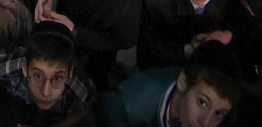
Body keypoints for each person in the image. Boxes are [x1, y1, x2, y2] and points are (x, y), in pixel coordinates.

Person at [98, 39, 244, 127]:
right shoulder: (128, 105)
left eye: (218, 113)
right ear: (182, 82)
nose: (205, 123)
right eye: (202, 103)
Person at [0, 20, 98, 127]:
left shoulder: (79, 89)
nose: (46, 92)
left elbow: (86, 109)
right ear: (25, 68)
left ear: (69, 74)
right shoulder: (7, 72)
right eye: (37, 76)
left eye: (58, 78)